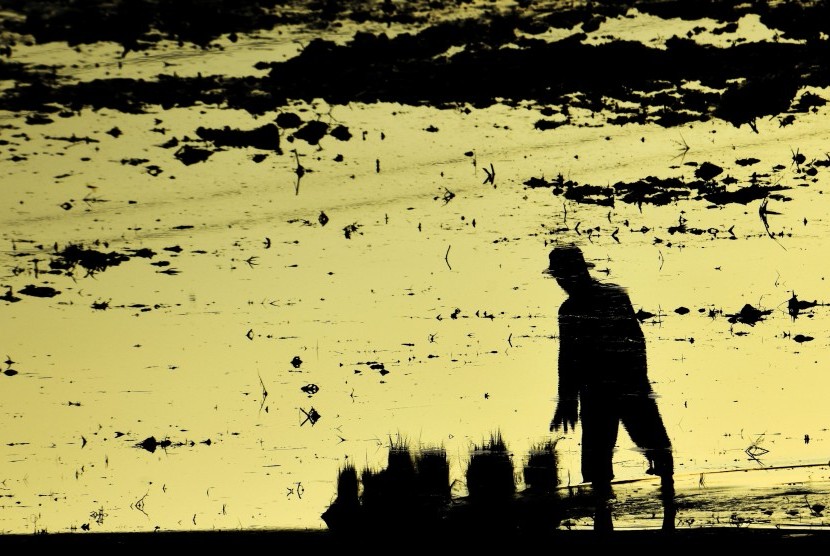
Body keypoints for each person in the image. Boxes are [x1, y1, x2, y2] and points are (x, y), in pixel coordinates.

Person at [545, 244, 675, 532]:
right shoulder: (575, 308)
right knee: (601, 460)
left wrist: (636, 382)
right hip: (601, 391)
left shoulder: (609, 299)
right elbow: (569, 357)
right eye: (559, 277)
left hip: (621, 386)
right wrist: (566, 400)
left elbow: (634, 342)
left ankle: (667, 511)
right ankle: (609, 519)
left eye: (564, 276)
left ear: (579, 272)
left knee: (653, 446)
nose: (561, 282)